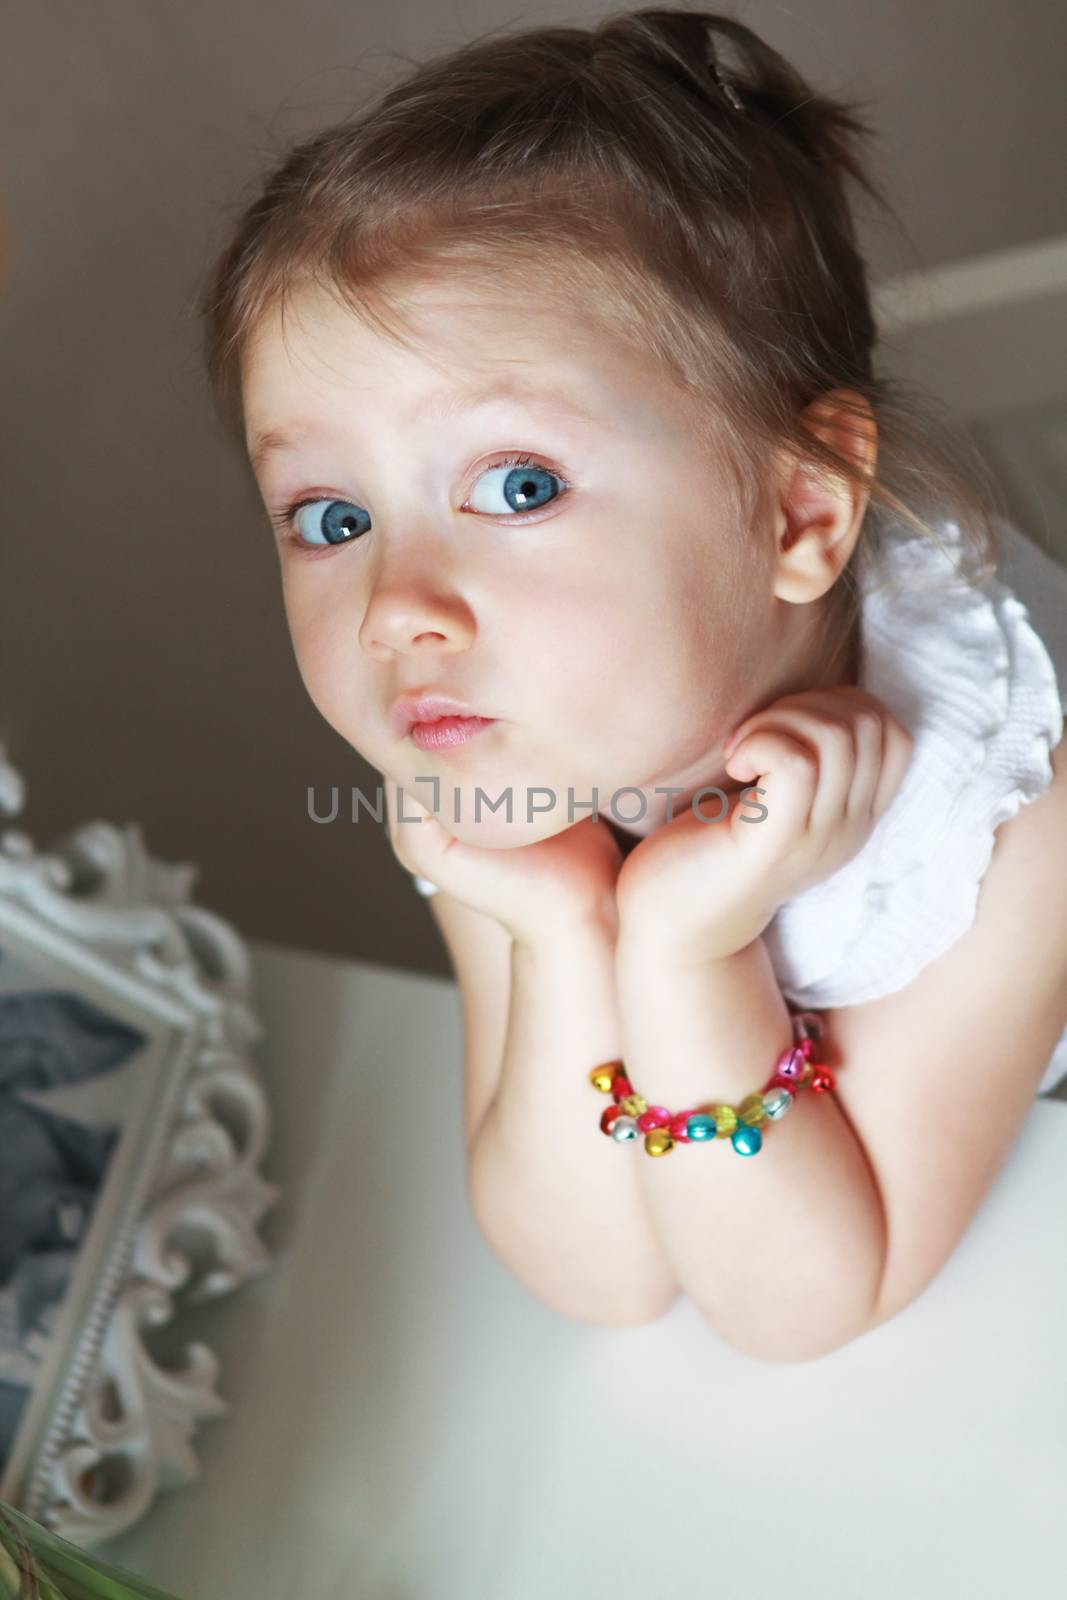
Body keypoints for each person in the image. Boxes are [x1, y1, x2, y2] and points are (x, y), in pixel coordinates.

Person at [196, 8, 1067, 1363]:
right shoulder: (498, 752)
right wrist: (562, 932)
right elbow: (598, 1274)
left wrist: (686, 947)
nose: (394, 610)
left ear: (797, 513)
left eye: (519, 485)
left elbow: (804, 1298)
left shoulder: (1009, 794)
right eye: (326, 515)